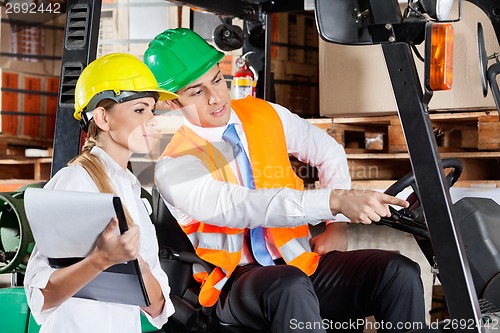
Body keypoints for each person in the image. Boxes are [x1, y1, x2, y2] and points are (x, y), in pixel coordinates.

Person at [145, 28, 425, 332]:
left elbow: (328, 151)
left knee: (398, 272)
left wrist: (338, 226)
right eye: (196, 92)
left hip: (299, 263)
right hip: (234, 280)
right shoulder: (174, 166)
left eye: (216, 80)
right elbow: (244, 206)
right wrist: (334, 202)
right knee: (289, 288)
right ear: (173, 103)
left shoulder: (264, 114)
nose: (215, 98)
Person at [24, 53, 178, 333]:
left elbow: (157, 308)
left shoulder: (133, 193)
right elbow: (41, 299)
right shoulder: (76, 182)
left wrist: (137, 265)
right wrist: (101, 260)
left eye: (153, 110)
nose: (152, 120)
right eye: (140, 109)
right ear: (103, 117)